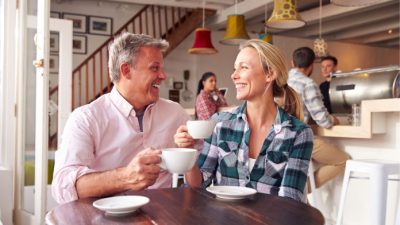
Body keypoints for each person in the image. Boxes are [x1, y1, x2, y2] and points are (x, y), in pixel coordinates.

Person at [52, 33, 190, 204]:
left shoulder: (175, 113)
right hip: (105, 219)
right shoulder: (86, 118)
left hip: (164, 217)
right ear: (126, 70)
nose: (163, 76)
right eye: (155, 68)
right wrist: (126, 176)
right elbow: (63, 187)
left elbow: (198, 168)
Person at [175, 40, 314, 203]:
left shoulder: (299, 133)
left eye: (244, 67)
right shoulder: (220, 123)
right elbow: (197, 187)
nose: (234, 75)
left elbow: (291, 203)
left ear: (269, 74)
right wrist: (188, 153)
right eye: (235, 68)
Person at [287, 47, 350, 190]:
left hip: (279, 140)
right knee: (343, 161)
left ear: (292, 62)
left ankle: (297, 190)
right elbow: (324, 121)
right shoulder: (308, 84)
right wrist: (336, 120)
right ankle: (301, 189)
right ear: (312, 65)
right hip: (298, 139)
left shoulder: (279, 82)